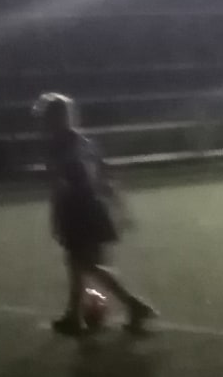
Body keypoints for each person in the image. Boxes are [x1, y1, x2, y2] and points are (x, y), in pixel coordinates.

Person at [35, 92, 156, 335]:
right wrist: (119, 206)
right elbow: (104, 176)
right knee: (77, 264)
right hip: (94, 207)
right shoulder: (85, 142)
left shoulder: (57, 144)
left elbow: (59, 183)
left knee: (85, 264)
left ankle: (134, 304)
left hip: (76, 209)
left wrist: (56, 216)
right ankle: (74, 315)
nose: (43, 121)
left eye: (46, 116)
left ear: (55, 118)